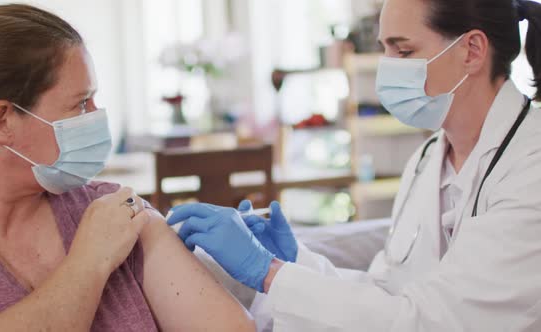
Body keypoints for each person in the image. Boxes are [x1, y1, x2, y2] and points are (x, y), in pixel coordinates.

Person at [167, 0, 541, 330]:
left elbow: (438, 322)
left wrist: (268, 273)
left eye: (404, 51)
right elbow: (385, 294)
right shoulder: (429, 159)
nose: (387, 69)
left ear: (472, 50)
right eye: (385, 50)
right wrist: (296, 262)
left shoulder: (531, 164)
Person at [0, 4, 256, 332]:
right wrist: (89, 260)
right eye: (81, 103)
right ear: (2, 122)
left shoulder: (114, 209)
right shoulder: (108, 229)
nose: (97, 116)